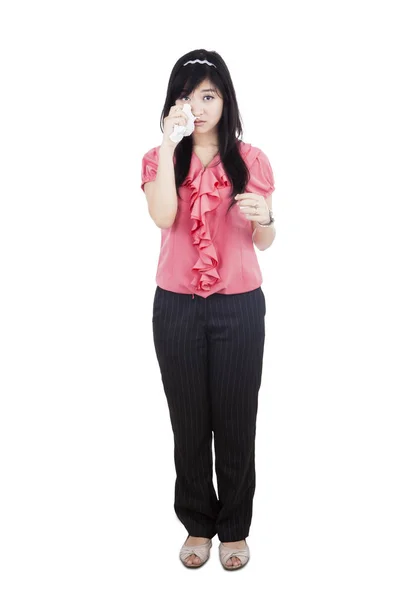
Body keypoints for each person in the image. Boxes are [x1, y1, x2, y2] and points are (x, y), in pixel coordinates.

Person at [140, 49, 276, 570]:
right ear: (172, 103)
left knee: (238, 421)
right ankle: (197, 524)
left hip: (240, 307)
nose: (198, 106)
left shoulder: (253, 160)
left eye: (208, 95)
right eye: (187, 96)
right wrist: (168, 140)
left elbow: (264, 241)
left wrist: (267, 216)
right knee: (189, 421)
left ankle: (235, 527)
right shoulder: (158, 159)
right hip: (175, 306)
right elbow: (163, 215)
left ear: (225, 99)